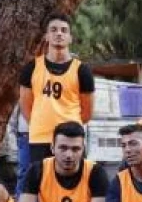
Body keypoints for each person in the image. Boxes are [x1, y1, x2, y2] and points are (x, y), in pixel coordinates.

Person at [19, 14, 94, 167]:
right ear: (46, 36)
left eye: (64, 30)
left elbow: (87, 113)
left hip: (71, 140)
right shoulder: (31, 68)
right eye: (53, 30)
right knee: (40, 185)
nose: (59, 33)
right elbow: (26, 107)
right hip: (40, 138)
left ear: (70, 37)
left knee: (75, 186)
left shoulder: (82, 70)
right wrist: (39, 123)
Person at [10, 107, 29, 197]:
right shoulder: (22, 94)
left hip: (43, 134)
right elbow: (13, 119)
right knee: (24, 170)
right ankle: (19, 200)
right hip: (25, 134)